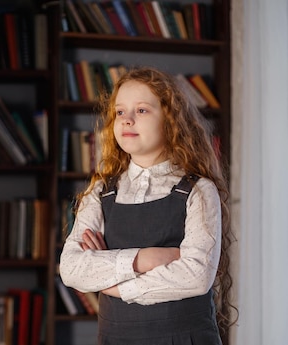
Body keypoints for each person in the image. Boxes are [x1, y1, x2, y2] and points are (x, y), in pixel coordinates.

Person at [59, 67, 236, 344]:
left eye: (141, 110)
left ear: (170, 120)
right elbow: (71, 268)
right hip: (116, 337)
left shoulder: (199, 190)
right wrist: (146, 258)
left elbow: (196, 276)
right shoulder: (99, 192)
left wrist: (114, 285)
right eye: (120, 112)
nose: (127, 120)